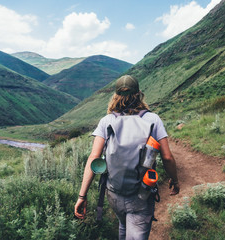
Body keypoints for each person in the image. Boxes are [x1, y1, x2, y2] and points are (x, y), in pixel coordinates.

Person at [74, 75, 180, 240]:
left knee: (123, 225)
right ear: (139, 94)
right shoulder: (153, 120)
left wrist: (82, 196)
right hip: (142, 195)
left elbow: (93, 158)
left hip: (113, 193)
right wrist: (175, 179)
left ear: (115, 96)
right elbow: (167, 157)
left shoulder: (106, 121)